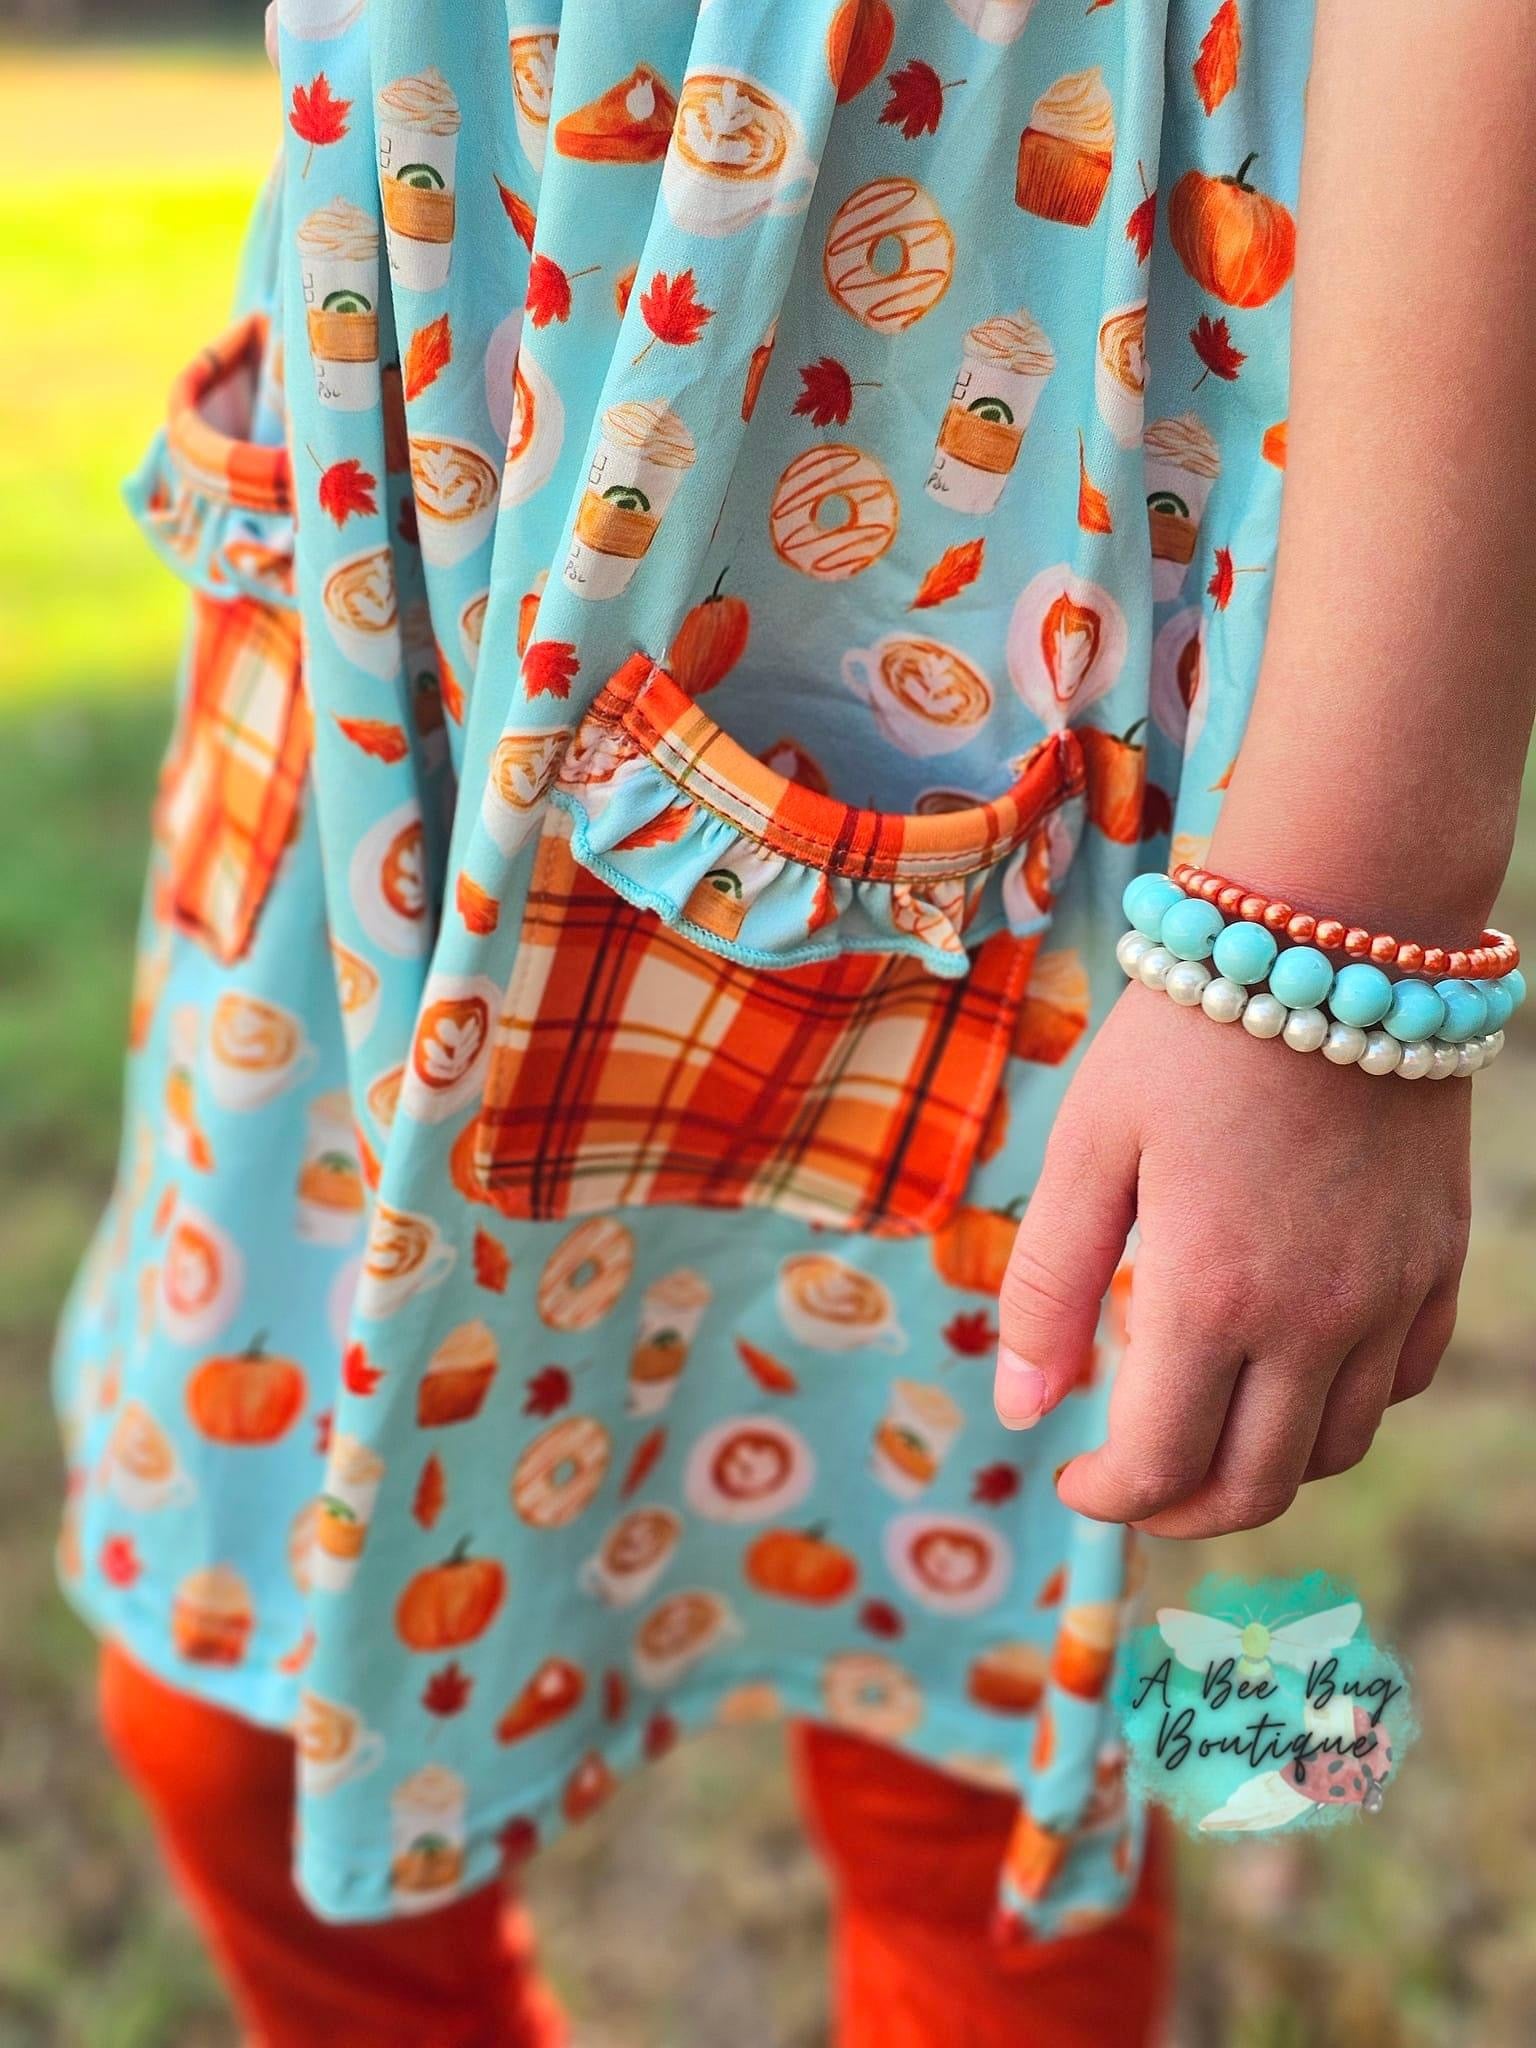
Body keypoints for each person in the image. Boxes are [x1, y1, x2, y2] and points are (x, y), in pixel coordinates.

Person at [55, 1, 1534, 2042]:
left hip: (997, 473)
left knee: (977, 1718)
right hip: (438, 399)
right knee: (223, 1694)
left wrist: (1346, 931)